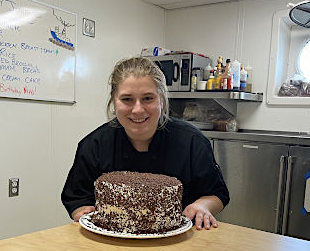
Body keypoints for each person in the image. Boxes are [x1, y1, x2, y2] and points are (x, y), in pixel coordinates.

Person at [61, 56, 229, 230]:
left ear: (162, 100)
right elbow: (77, 198)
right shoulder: (93, 145)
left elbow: (217, 194)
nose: (138, 109)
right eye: (127, 99)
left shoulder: (192, 142)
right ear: (114, 101)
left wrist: (203, 206)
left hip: (178, 244)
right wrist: (81, 211)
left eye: (148, 98)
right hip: (109, 245)